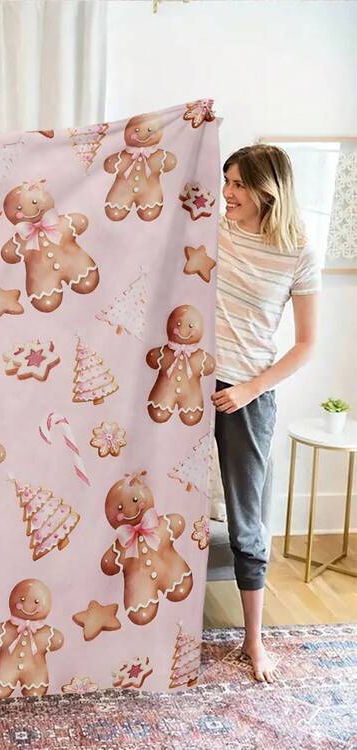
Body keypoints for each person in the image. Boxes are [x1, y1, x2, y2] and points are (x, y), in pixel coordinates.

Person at [212, 144, 320, 682]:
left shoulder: (298, 249)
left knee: (246, 519)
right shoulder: (211, 230)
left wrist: (249, 390)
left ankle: (254, 641)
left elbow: (305, 345)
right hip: (183, 385)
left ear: (267, 189)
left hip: (248, 394)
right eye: (226, 181)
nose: (227, 193)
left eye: (238, 184)